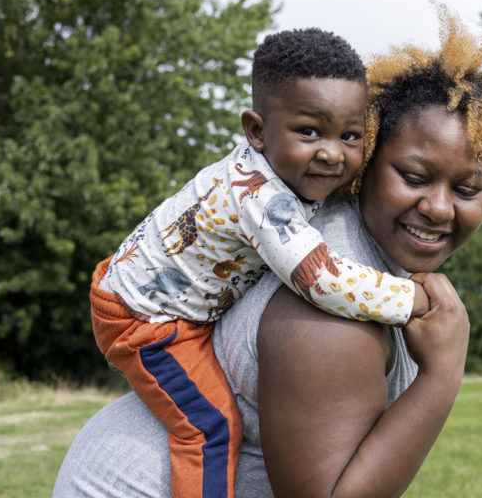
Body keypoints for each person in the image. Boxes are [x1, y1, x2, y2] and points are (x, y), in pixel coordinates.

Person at [54, 6, 482, 497]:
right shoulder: (335, 313)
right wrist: (442, 374)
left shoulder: (341, 241)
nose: (438, 207)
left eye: (467, 188)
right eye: (412, 177)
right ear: (367, 162)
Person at [89, 28, 430, 498]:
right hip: (147, 321)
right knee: (209, 427)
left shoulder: (280, 175)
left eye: (350, 136)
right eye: (309, 131)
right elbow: (324, 280)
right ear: (256, 131)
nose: (331, 152)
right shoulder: (261, 199)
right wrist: (412, 298)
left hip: (149, 289)